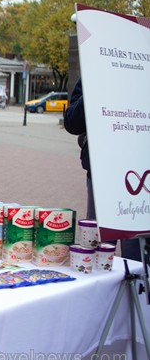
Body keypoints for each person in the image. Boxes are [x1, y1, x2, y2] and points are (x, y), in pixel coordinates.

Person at [64, 77, 141, 261]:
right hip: (102, 173)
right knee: (99, 250)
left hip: (141, 175)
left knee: (137, 255)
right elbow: (72, 122)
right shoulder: (95, 71)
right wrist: (95, 84)